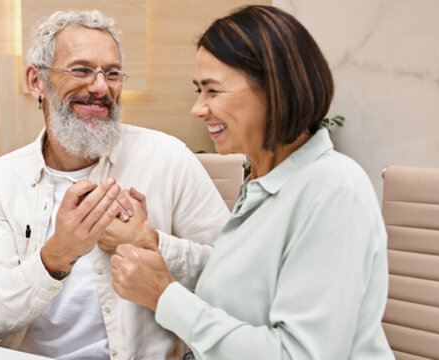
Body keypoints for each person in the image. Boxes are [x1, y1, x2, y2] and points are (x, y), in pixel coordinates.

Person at [109, 5, 393, 359]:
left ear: (273, 87)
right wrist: (149, 243)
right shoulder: (264, 181)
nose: (198, 108)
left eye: (212, 91)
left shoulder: (334, 190)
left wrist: (163, 296)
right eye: (199, 91)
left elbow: (297, 355)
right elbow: (235, 293)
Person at [0, 9, 231, 360]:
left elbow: (231, 275)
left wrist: (149, 242)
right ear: (36, 81)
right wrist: (57, 253)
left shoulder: (167, 156)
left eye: (112, 73)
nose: (100, 87)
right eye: (81, 70)